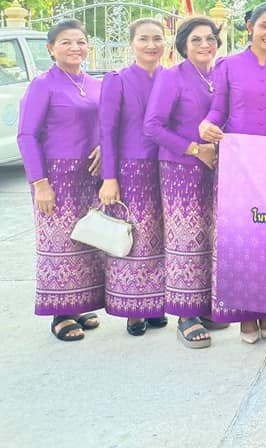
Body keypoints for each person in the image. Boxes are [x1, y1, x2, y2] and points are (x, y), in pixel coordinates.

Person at [198, 2, 266, 344]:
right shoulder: (227, 65)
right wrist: (206, 126)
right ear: (250, 27)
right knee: (240, 237)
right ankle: (244, 313)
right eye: (265, 26)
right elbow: (218, 110)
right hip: (237, 164)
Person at [17, 20, 103, 342]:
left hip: (90, 176)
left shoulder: (95, 84)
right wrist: (40, 183)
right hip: (55, 177)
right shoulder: (43, 85)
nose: (75, 48)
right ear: (51, 49)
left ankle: (79, 304)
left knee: (86, 241)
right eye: (66, 42)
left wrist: (105, 148)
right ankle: (61, 313)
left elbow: (109, 124)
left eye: (80, 41)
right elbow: (26, 136)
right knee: (59, 244)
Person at [143, 17, 222, 349]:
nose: (204, 45)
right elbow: (152, 126)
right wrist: (195, 149)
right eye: (196, 40)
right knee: (185, 239)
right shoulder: (172, 76)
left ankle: (203, 307)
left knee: (211, 238)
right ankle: (185, 315)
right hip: (181, 169)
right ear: (183, 46)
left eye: (210, 38)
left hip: (217, 168)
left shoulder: (219, 75)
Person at [99, 18, 167, 336]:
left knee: (161, 239)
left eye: (157, 38)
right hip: (131, 170)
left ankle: (156, 304)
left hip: (167, 168)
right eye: (143, 39)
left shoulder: (171, 78)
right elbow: (107, 131)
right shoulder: (118, 80)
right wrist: (109, 177)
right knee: (135, 239)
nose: (151, 45)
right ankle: (133, 308)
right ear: (131, 43)